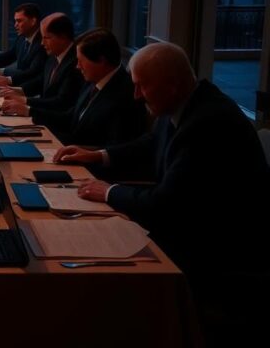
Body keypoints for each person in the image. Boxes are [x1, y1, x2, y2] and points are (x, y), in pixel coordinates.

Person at [54, 42, 270, 345]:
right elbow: (150, 144)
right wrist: (98, 155)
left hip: (217, 255)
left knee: (90, 277)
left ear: (173, 84)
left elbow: (165, 207)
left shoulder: (208, 124)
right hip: (191, 229)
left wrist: (110, 193)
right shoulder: (186, 104)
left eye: (142, 86)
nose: (136, 96)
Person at [19, 28, 147, 146]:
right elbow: (70, 117)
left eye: (81, 61)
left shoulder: (126, 95)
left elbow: (114, 149)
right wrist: (30, 113)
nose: (77, 66)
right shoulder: (93, 81)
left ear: (101, 60)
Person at [1, 12, 83, 113]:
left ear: (63, 37)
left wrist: (25, 101)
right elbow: (41, 82)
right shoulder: (53, 56)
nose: (42, 43)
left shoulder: (77, 63)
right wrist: (16, 91)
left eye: (46, 38)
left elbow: (61, 102)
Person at [0, 2, 47, 86]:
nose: (15, 25)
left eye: (19, 21)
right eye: (15, 21)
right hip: (20, 84)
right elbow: (10, 54)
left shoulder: (43, 43)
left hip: (31, 90)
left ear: (33, 21)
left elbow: (32, 72)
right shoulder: (22, 37)